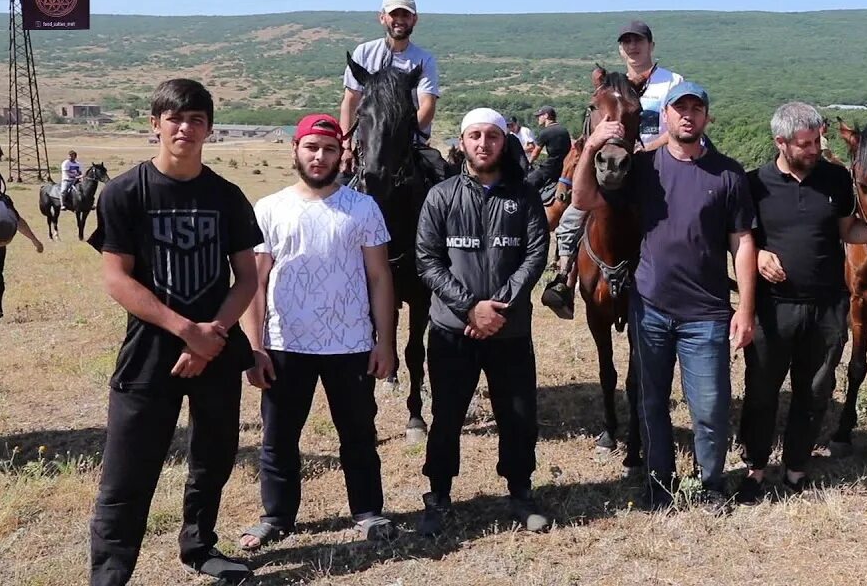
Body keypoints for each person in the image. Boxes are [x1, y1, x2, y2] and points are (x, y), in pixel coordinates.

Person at [87, 79, 261, 585]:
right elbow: (116, 278)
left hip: (218, 347)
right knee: (127, 472)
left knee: (214, 455)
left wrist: (213, 337)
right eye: (175, 118)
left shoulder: (227, 196)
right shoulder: (124, 192)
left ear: (209, 129)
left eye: (196, 120)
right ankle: (110, 574)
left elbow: (247, 277)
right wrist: (188, 331)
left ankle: (199, 546)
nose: (185, 128)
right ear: (155, 124)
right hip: (149, 352)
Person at [573, 81, 756, 513]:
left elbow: (743, 242)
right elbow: (583, 198)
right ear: (667, 117)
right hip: (650, 307)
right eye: (680, 108)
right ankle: (659, 484)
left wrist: (745, 307)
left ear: (706, 118)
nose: (688, 115)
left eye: (697, 108)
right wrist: (591, 146)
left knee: (709, 407)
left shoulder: (728, 174)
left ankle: (710, 484)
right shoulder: (643, 168)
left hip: (707, 312)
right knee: (651, 402)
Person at [237, 114, 398, 552]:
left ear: (340, 155)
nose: (319, 156)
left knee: (359, 434)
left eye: (328, 149)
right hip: (284, 345)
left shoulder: (363, 208)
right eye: (311, 147)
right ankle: (276, 516)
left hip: (350, 344)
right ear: (296, 150)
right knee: (279, 438)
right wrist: (254, 347)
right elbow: (256, 282)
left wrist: (385, 342)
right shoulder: (269, 209)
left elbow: (380, 278)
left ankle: (367, 511)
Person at [415, 108, 551, 536]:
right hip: (452, 329)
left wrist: (499, 307)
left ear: (502, 142)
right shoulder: (441, 196)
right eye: (474, 135)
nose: (483, 143)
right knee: (447, 414)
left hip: (509, 331)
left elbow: (534, 256)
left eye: (491, 136)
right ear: (462, 143)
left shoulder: (523, 196)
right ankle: (438, 495)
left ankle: (520, 491)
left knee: (518, 414)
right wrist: (470, 307)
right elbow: (427, 260)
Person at [735, 102, 867, 505]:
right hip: (772, 309)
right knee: (761, 391)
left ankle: (796, 466)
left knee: (813, 391)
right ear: (780, 142)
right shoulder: (754, 184)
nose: (814, 149)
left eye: (817, 141)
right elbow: (739, 239)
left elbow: (849, 231)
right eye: (805, 144)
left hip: (827, 306)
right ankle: (756, 467)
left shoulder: (836, 179)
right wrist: (758, 255)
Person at [541, 20, 683, 318]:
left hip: (653, 164)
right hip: (612, 163)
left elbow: (678, 127)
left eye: (639, 41)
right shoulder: (611, 85)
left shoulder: (671, 82)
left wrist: (647, 148)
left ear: (651, 46)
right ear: (621, 49)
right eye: (627, 42)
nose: (633, 47)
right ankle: (564, 276)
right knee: (572, 215)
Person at [338, 0, 449, 184]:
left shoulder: (424, 59)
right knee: (334, 190)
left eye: (405, 15)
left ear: (414, 19)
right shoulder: (364, 53)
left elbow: (427, 106)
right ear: (382, 18)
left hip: (410, 146)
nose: (399, 20)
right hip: (367, 146)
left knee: (445, 182)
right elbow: (350, 101)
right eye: (394, 15)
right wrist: (345, 146)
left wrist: (398, 137)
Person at [0, 188, 45, 320]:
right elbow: (18, 222)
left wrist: (35, 240)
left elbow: (19, 222)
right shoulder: (5, 201)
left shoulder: (5, 201)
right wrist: (35, 241)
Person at [524, 106, 571, 193]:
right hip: (565, 166)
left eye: (539, 116)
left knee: (527, 183)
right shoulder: (564, 130)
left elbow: (535, 152)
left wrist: (529, 162)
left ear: (546, 116)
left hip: (550, 168)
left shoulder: (545, 132)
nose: (538, 118)